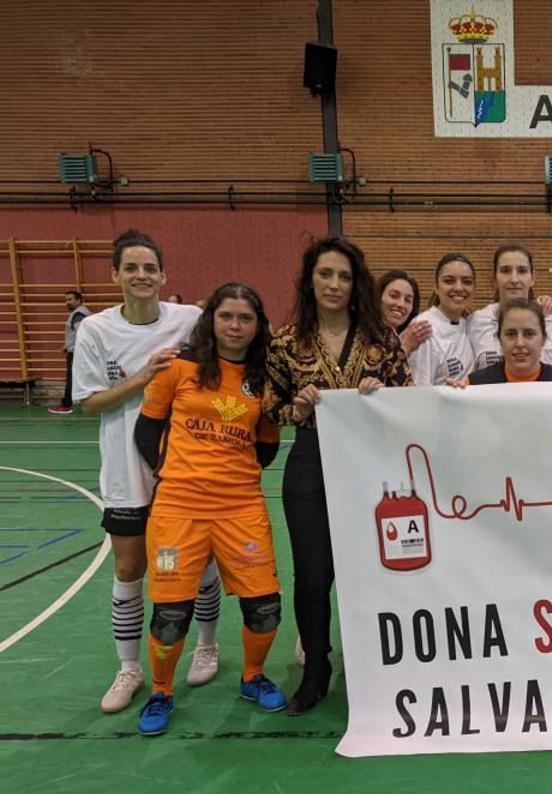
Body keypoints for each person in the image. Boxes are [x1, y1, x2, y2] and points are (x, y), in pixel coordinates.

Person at [72, 229, 223, 713]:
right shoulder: (96, 330)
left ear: (164, 276)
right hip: (125, 469)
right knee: (129, 568)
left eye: (150, 268)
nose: (141, 275)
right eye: (131, 268)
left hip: (184, 466)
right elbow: (89, 404)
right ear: (114, 275)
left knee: (199, 562)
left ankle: (207, 645)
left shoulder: (190, 320)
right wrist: (143, 377)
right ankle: (129, 668)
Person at [264, 235, 412, 715]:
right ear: (309, 280)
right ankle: (316, 669)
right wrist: (297, 408)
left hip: (371, 467)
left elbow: (409, 398)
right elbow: (269, 407)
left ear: (356, 285)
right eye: (325, 274)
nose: (334, 284)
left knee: (374, 572)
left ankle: (377, 665)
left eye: (344, 276)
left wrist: (381, 394)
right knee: (312, 575)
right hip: (311, 464)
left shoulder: (380, 339)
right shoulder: (287, 342)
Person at [132, 283, 285, 734]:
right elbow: (146, 432)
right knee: (171, 614)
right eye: (227, 316)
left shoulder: (264, 379)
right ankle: (161, 692)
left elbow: (266, 447)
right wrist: (180, 475)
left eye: (245, 318)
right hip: (177, 510)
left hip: (241, 508)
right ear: (211, 320)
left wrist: (229, 475)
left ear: (257, 326)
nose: (235, 326)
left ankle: (253, 677)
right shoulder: (178, 367)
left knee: (265, 606)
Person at [468, 244, 552, 370]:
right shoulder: (477, 321)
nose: (514, 279)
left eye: (522, 271)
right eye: (505, 271)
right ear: (494, 278)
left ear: (533, 278)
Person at [463, 299, 552, 385]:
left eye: (529, 334)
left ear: (543, 339)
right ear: (499, 339)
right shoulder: (473, 385)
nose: (520, 343)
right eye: (511, 334)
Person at [407, 253, 477, 385]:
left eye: (467, 282)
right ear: (436, 287)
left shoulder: (471, 324)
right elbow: (419, 389)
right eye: (449, 281)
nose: (458, 288)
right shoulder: (423, 327)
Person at [48, 290, 90, 414]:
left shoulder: (78, 315)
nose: (67, 302)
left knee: (71, 378)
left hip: (77, 353)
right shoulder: (80, 313)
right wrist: (67, 345)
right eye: (66, 300)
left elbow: (81, 334)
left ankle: (66, 405)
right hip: (77, 350)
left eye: (70, 299)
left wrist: (73, 347)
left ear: (79, 300)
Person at [377, 269, 432, 356]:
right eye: (394, 296)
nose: (401, 304)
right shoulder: (362, 336)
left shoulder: (413, 339)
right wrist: (405, 347)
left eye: (408, 300)